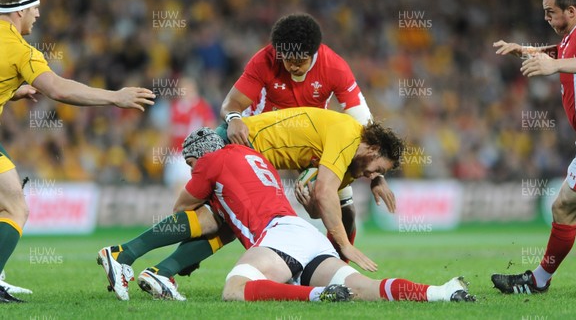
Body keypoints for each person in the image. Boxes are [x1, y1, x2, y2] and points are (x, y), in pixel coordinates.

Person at [103, 128, 476, 303]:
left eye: (190, 164)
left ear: (201, 154)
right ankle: (441, 292)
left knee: (234, 289)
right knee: (363, 289)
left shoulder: (212, 161)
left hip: (275, 238)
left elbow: (180, 209)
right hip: (305, 231)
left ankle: (315, 296)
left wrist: (205, 190)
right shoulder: (254, 158)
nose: (191, 168)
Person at [0, 0, 155, 303]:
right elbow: (59, 89)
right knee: (14, 208)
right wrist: (115, 96)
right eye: (36, 8)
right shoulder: (19, 50)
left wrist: (11, 91)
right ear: (20, 10)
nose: (39, 15)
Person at [220, 13, 396, 256]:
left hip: (312, 145)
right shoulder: (264, 60)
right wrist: (234, 119)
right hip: (264, 143)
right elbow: (232, 103)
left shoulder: (334, 67)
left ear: (314, 53)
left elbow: (365, 124)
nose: (292, 66)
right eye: (287, 59)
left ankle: (337, 275)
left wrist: (377, 176)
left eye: (299, 61)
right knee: (233, 211)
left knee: (346, 210)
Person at [492, 0, 576, 294]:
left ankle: (538, 281)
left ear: (570, 9)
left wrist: (555, 68)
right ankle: (538, 280)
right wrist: (524, 51)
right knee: (564, 207)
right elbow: (562, 50)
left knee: (563, 208)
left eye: (550, 12)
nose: (546, 18)